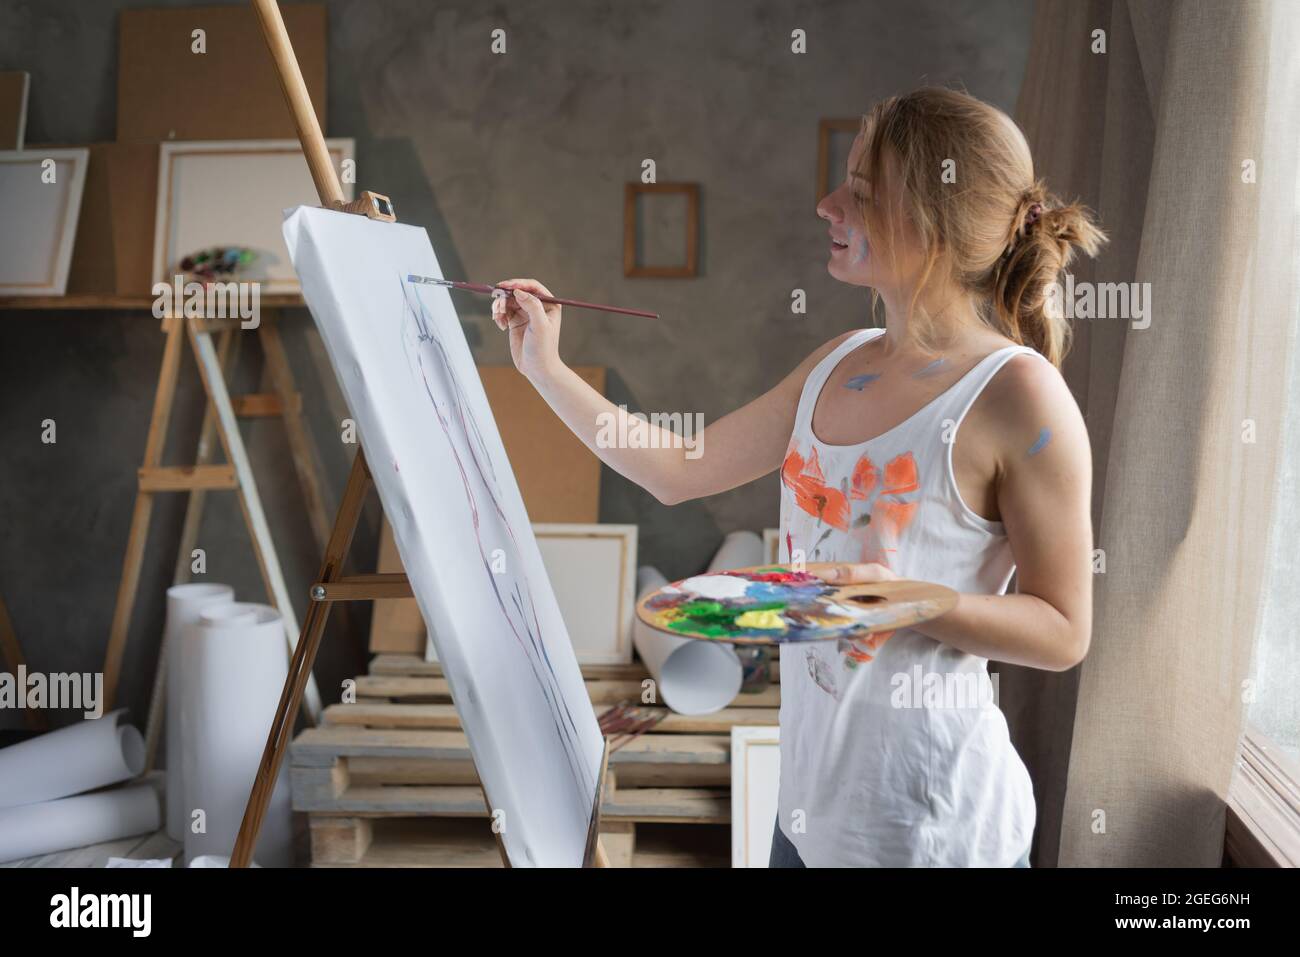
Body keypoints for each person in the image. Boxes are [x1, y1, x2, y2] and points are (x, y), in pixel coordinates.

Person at [492, 86, 1106, 867]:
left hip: (934, 834)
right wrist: (543, 367)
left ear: (931, 223)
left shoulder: (1017, 393)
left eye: (860, 192)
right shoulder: (839, 360)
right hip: (807, 821)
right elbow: (678, 469)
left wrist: (906, 602)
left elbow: (1063, 630)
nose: (826, 204)